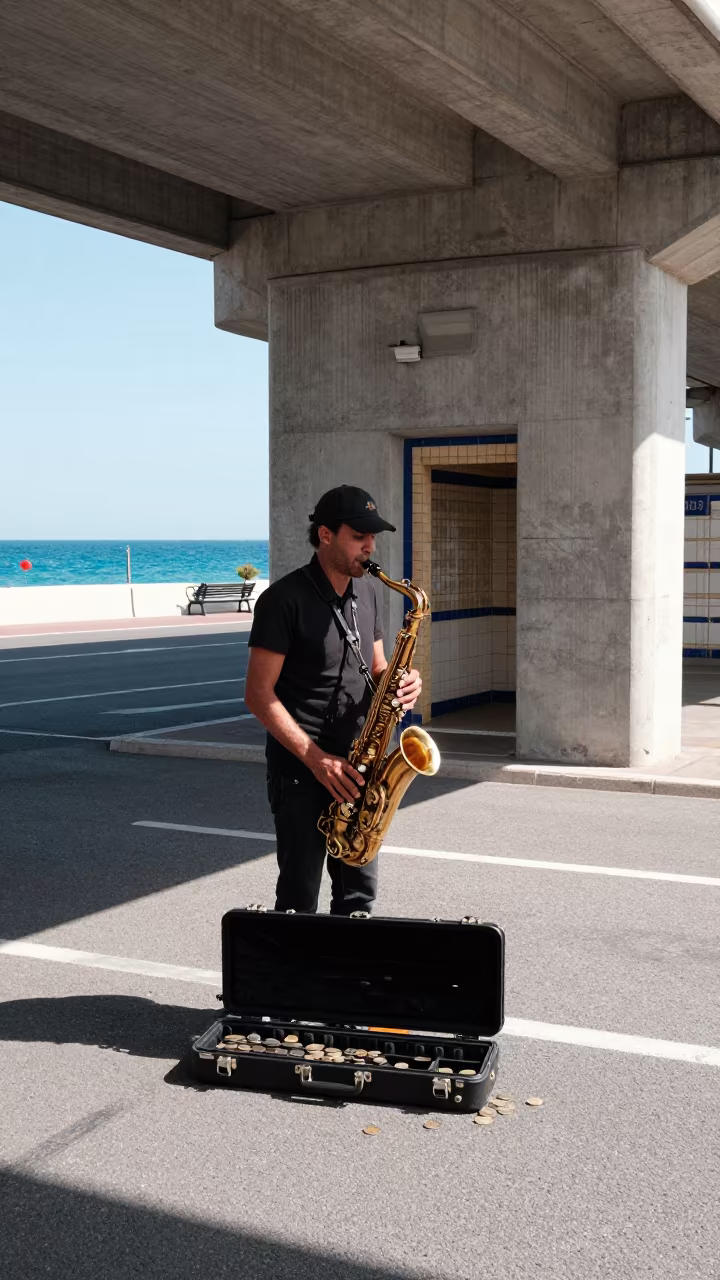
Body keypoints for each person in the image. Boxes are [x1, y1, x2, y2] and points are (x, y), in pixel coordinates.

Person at [244, 485, 422, 915]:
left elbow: (378, 665)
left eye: (373, 537)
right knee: (299, 899)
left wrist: (403, 682)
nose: (369, 546)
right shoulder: (282, 601)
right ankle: (292, 983)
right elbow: (257, 694)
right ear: (325, 535)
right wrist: (315, 758)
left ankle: (348, 982)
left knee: (358, 898)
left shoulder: (370, 592)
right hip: (303, 771)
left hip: (360, 768)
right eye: (359, 535)